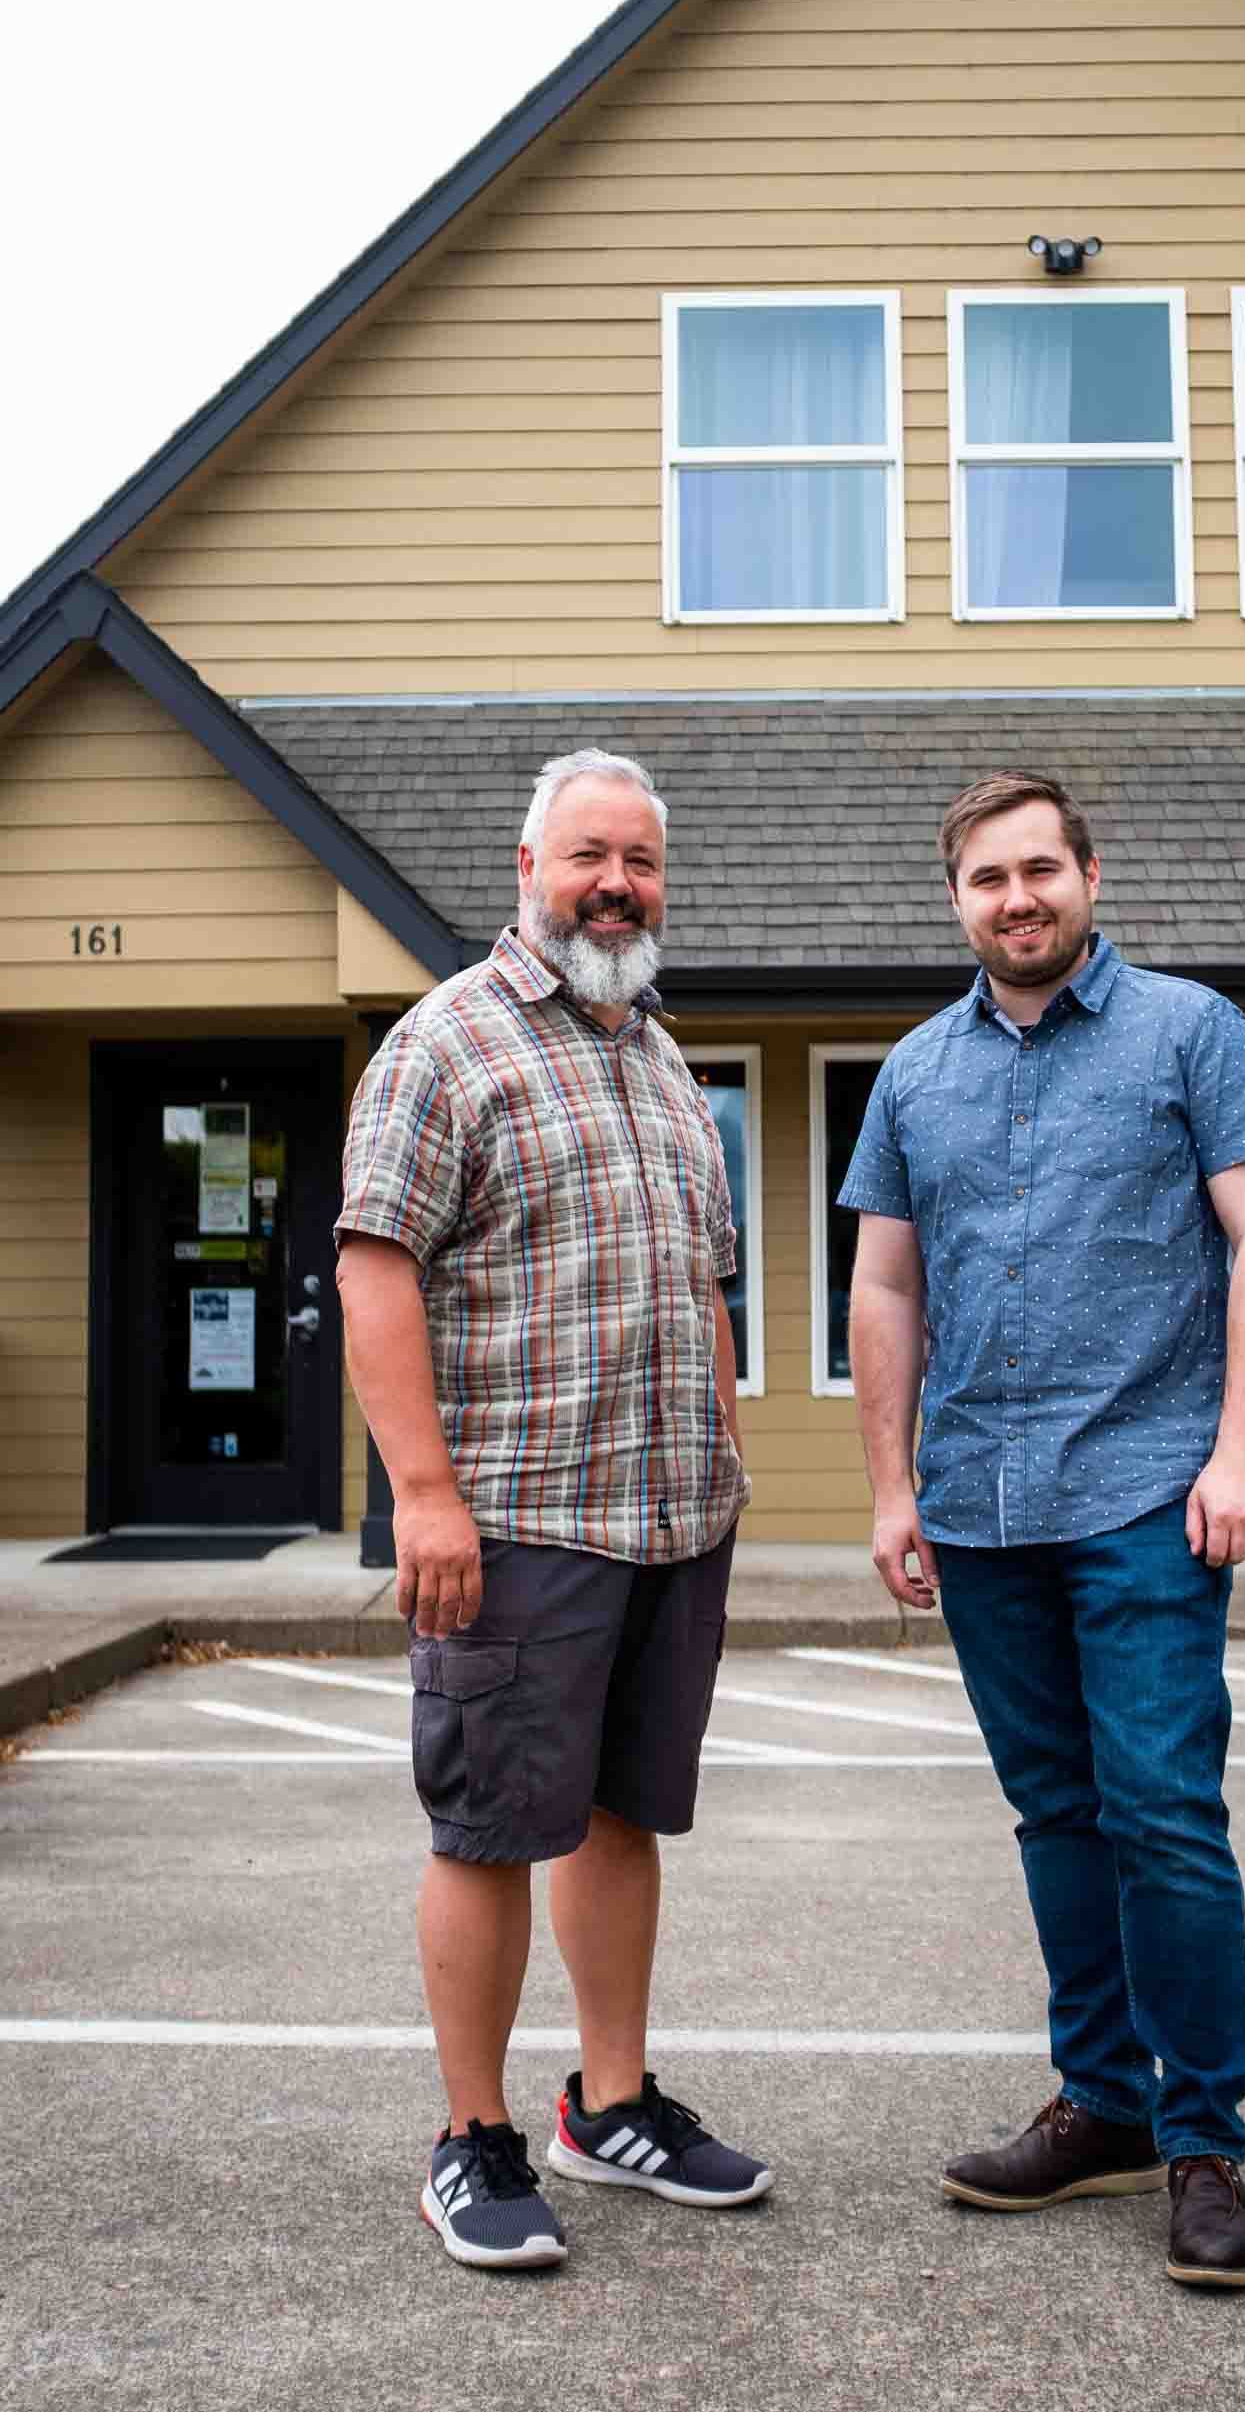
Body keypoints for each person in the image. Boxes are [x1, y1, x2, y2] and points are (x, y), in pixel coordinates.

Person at [839, 769, 1245, 2292]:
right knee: (1054, 1814)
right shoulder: (911, 1072)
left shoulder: (1191, 1030)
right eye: (986, 877)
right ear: (955, 899)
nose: (1016, 896)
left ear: (1088, 876)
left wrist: (1243, 1450)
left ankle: (1202, 2140)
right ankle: (1100, 2100)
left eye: (1039, 867)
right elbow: (886, 1288)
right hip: (979, 1504)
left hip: (1147, 1491)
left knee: (1162, 1810)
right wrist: (890, 1484)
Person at [335, 746, 770, 2273]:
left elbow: (703, 1276)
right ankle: (472, 2135)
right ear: (527, 866)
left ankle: (611, 2099)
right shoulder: (444, 1044)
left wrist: (721, 1440)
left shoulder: (662, 1057)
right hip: (516, 1517)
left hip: (668, 1517)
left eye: (641, 860)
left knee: (619, 1812)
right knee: (486, 1828)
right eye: (590, 854)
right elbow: (372, 1262)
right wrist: (424, 1497)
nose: (616, 883)